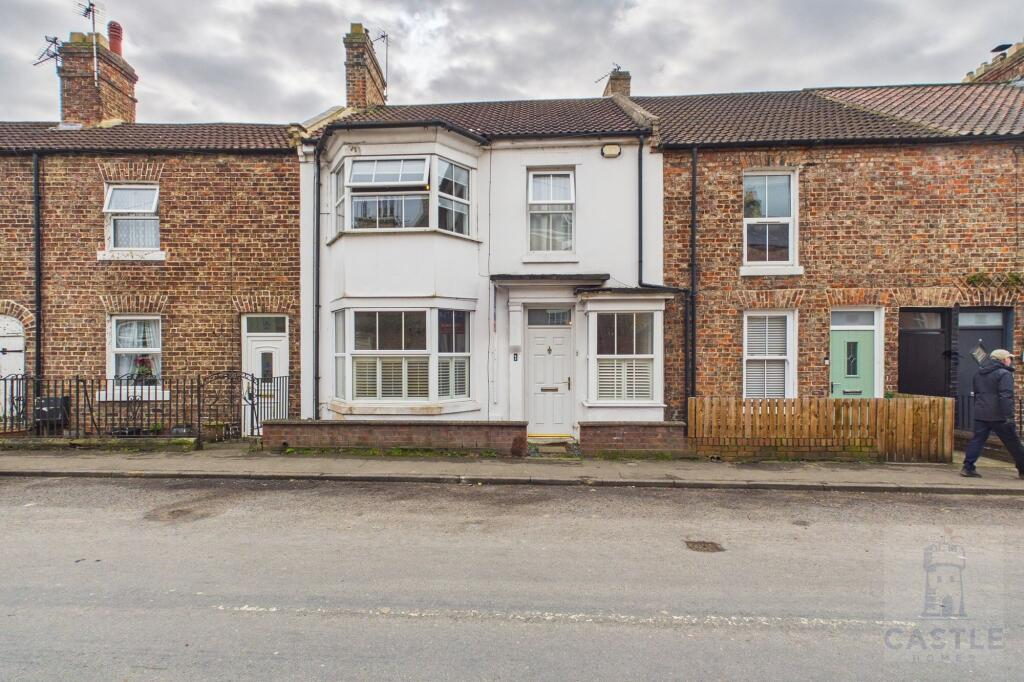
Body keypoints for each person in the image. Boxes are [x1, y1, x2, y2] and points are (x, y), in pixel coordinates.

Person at [962, 349, 1024, 478]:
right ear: (1003, 360)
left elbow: (977, 393)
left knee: (977, 440)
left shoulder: (979, 373)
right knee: (1013, 442)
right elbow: (1006, 396)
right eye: (1009, 358)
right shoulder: (1004, 374)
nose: (1011, 361)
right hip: (999, 415)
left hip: (981, 413)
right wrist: (1009, 416)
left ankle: (967, 467)